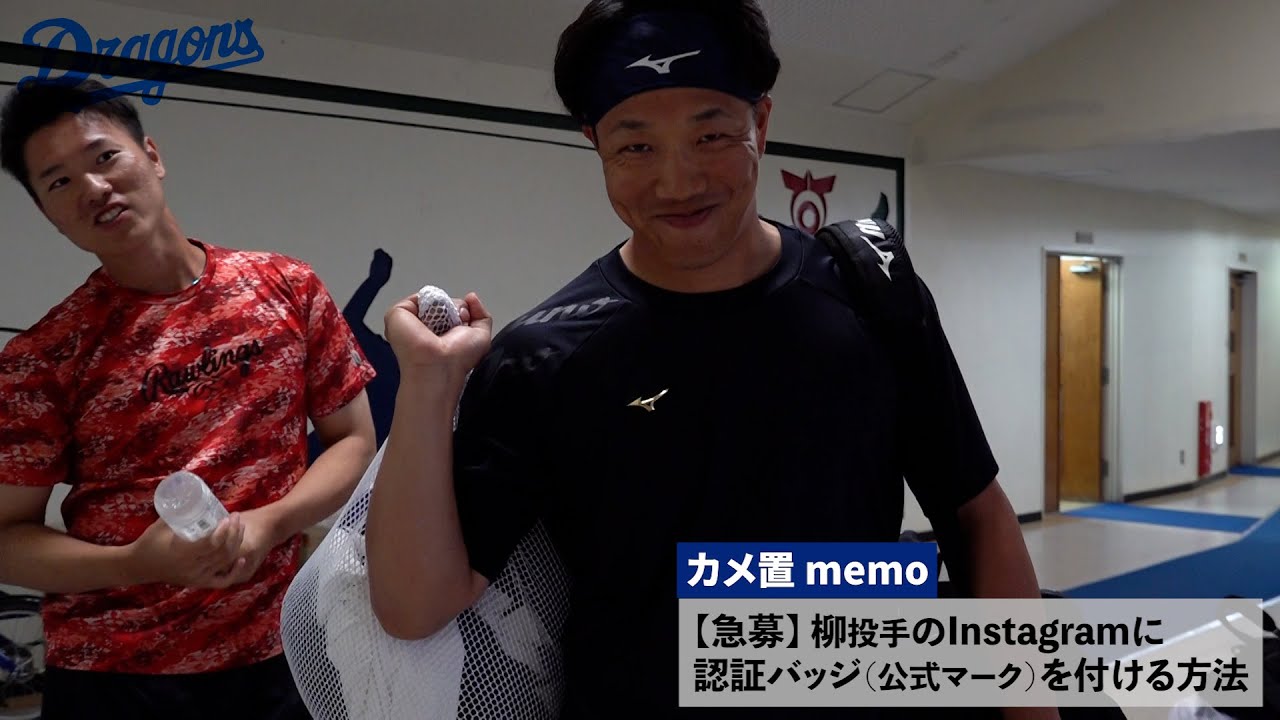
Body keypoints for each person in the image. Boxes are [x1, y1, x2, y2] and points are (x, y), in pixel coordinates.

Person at [365, 1, 1056, 718]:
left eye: (711, 135)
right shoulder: (545, 356)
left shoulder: (867, 291)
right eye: (636, 147)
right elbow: (414, 607)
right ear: (594, 143)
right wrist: (428, 385)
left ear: (761, 122)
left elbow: (976, 513)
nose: (678, 182)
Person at [0, 78, 377, 719]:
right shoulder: (44, 356)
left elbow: (354, 440)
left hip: (280, 654)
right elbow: (7, 538)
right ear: (47, 213)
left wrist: (271, 523)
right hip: (113, 676)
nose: (93, 187)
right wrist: (134, 563)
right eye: (59, 181)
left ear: (152, 155)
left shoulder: (286, 287)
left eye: (104, 157)